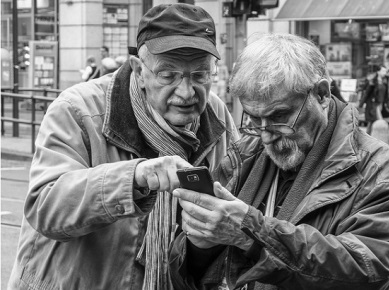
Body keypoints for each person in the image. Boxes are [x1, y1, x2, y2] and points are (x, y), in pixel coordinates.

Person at [8, 3, 239, 290]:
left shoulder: (216, 115)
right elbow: (45, 206)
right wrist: (134, 177)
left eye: (200, 75)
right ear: (139, 71)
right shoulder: (78, 110)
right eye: (168, 76)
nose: (187, 92)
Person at [169, 33, 389, 290]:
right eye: (254, 119)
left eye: (279, 116)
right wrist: (199, 245)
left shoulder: (383, 172)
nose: (265, 135)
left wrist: (253, 232)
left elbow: (366, 268)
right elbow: (189, 271)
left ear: (321, 94)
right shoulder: (244, 155)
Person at [359, 65, 389, 135]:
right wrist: (361, 104)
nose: (385, 73)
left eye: (385, 71)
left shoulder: (385, 81)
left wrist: (387, 103)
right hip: (374, 104)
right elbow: (367, 93)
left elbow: (386, 94)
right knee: (379, 120)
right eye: (383, 71)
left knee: (372, 121)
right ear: (378, 72)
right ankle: (383, 137)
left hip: (381, 104)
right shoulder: (373, 82)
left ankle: (367, 136)